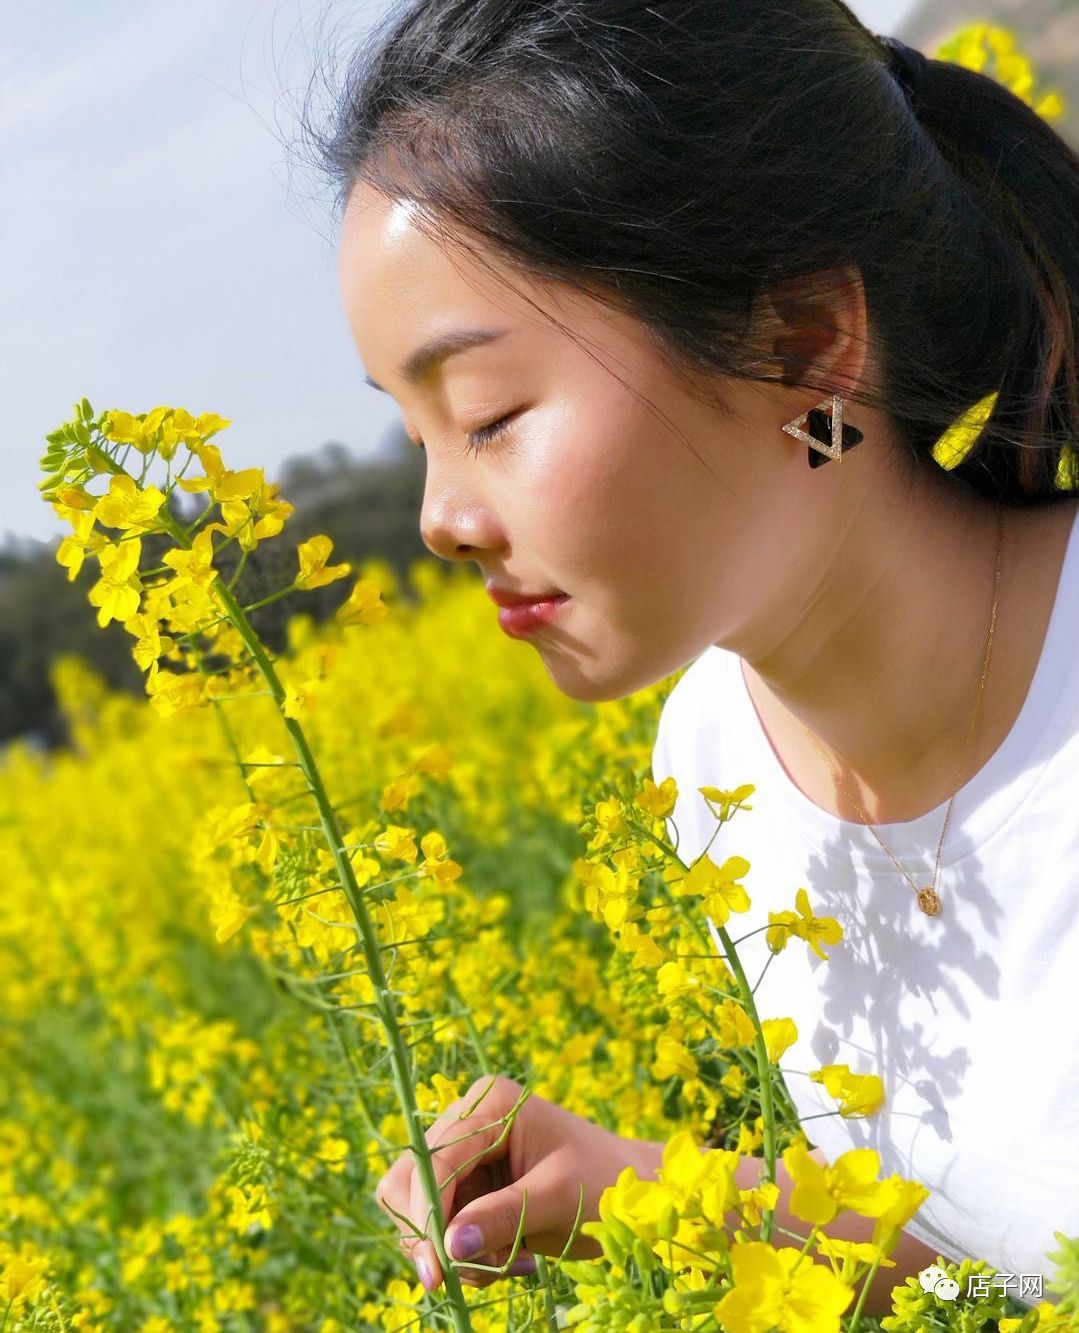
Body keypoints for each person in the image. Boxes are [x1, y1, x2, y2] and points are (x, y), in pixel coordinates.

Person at [311, 0, 1079, 1313]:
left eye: (489, 415)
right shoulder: (712, 760)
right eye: (417, 434)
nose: (440, 517)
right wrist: (653, 1194)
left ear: (806, 345)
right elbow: (994, 1273)